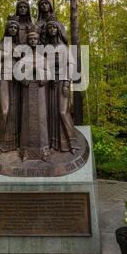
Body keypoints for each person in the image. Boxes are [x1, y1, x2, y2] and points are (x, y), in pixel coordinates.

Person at [45, 14, 79, 154]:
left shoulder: (64, 47)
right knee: (51, 112)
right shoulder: (46, 48)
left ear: (58, 29)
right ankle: (56, 143)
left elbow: (71, 65)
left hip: (62, 82)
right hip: (49, 84)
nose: (52, 29)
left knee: (62, 111)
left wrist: (66, 82)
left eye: (54, 27)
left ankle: (72, 143)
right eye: (50, 27)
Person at [19, 25, 50, 162]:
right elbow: (18, 73)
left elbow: (48, 73)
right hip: (27, 91)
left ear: (38, 40)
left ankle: (43, 151)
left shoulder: (42, 58)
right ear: (28, 40)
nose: (33, 40)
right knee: (27, 118)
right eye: (30, 38)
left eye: (35, 38)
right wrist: (26, 80)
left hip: (40, 90)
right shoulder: (24, 58)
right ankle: (26, 152)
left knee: (41, 118)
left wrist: (40, 77)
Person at [0, 15, 20, 155]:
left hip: (17, 81)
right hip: (3, 78)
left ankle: (13, 144)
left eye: (15, 28)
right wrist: (7, 54)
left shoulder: (19, 46)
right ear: (7, 29)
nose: (13, 29)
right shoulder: (1, 46)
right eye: (11, 27)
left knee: (15, 112)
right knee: (4, 110)